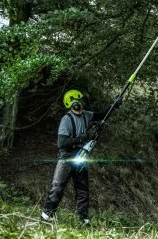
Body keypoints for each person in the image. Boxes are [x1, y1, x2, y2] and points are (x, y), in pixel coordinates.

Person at [41, 89, 122, 226]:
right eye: (77, 102)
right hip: (66, 157)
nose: (80, 104)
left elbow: (102, 115)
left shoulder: (86, 115)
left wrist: (114, 105)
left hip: (81, 155)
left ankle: (83, 220)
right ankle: (47, 216)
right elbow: (61, 143)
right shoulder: (66, 119)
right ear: (72, 105)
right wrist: (79, 138)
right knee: (57, 187)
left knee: (83, 189)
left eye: (80, 101)